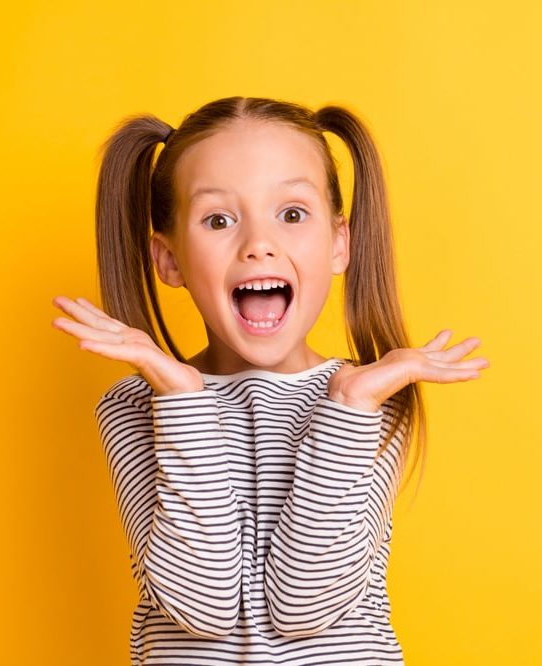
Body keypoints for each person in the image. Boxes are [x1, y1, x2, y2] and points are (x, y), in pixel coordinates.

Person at [51, 96, 489, 665]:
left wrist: (350, 407)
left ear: (339, 242)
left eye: (291, 213)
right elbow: (199, 606)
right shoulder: (136, 407)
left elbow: (305, 604)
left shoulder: (373, 400)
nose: (258, 244)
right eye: (218, 220)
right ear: (170, 260)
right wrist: (182, 399)